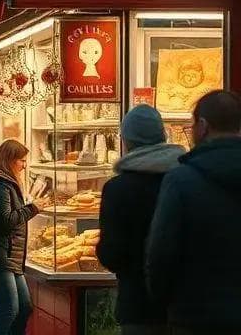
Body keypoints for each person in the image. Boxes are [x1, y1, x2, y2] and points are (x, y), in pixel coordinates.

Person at [147, 90, 241, 335]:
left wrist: (166, 302)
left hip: (195, 315)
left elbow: (161, 252)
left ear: (203, 126)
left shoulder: (181, 179)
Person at [96, 105, 183, 335]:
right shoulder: (186, 179)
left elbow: (112, 254)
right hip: (184, 305)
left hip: (138, 305)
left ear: (126, 141)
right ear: (163, 136)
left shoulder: (117, 189)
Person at [0, 139, 48, 335]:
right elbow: (6, 220)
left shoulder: (7, 184)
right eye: (21, 160)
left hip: (9, 257)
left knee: (23, 307)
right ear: (10, 160)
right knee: (9, 310)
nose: (24, 165)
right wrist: (33, 208)